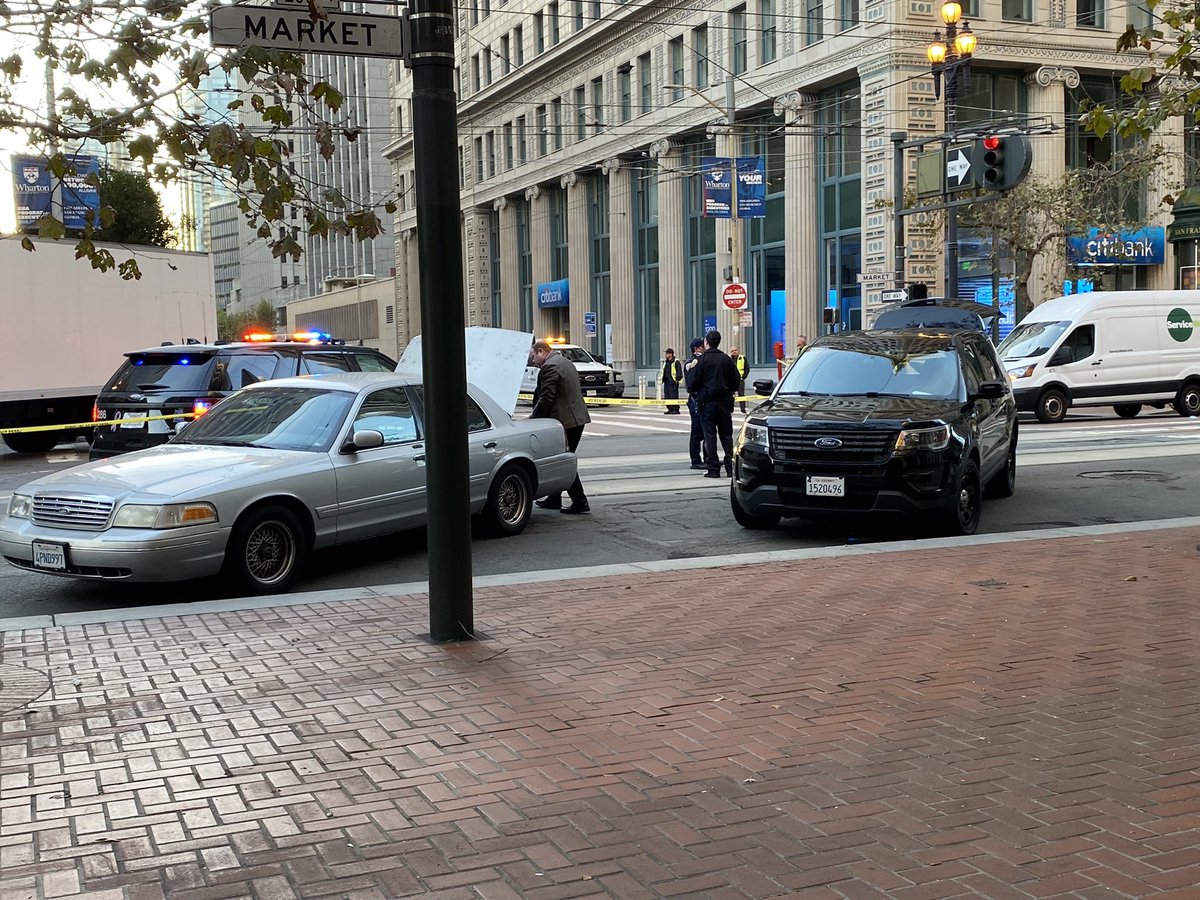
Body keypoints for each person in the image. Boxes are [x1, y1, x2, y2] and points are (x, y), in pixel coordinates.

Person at [528, 339, 591, 514]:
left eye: (533, 357)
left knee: (564, 461)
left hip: (566, 421)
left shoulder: (550, 366)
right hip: (575, 419)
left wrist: (533, 418)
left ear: (541, 351)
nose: (533, 362)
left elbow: (547, 398)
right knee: (563, 458)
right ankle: (554, 498)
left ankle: (580, 501)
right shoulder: (564, 361)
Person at [691, 330, 740, 479]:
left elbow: (692, 384)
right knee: (726, 435)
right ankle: (730, 467)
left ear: (706, 342)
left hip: (707, 404)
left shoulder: (702, 360)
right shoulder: (726, 359)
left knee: (709, 436)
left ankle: (713, 468)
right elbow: (736, 382)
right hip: (724, 403)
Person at [683, 338, 709, 471]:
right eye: (702, 347)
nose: (704, 348)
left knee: (706, 431)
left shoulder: (701, 360)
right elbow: (691, 382)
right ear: (696, 349)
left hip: (701, 399)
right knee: (697, 431)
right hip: (695, 400)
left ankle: (707, 458)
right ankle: (695, 460)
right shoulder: (691, 362)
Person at [661, 348, 683, 414]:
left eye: (667, 353)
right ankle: (670, 409)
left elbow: (679, 371)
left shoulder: (676, 361)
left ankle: (676, 409)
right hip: (667, 381)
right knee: (667, 396)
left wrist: (676, 380)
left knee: (673, 396)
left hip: (673, 382)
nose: (666, 355)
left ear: (671, 354)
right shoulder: (666, 362)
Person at [729, 346, 749, 414]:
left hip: (740, 379)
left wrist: (743, 377)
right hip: (731, 380)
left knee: (741, 394)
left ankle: (743, 409)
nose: (734, 352)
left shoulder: (742, 358)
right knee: (730, 395)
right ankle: (730, 409)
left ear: (738, 350)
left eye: (735, 350)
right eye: (732, 351)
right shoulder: (729, 359)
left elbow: (747, 368)